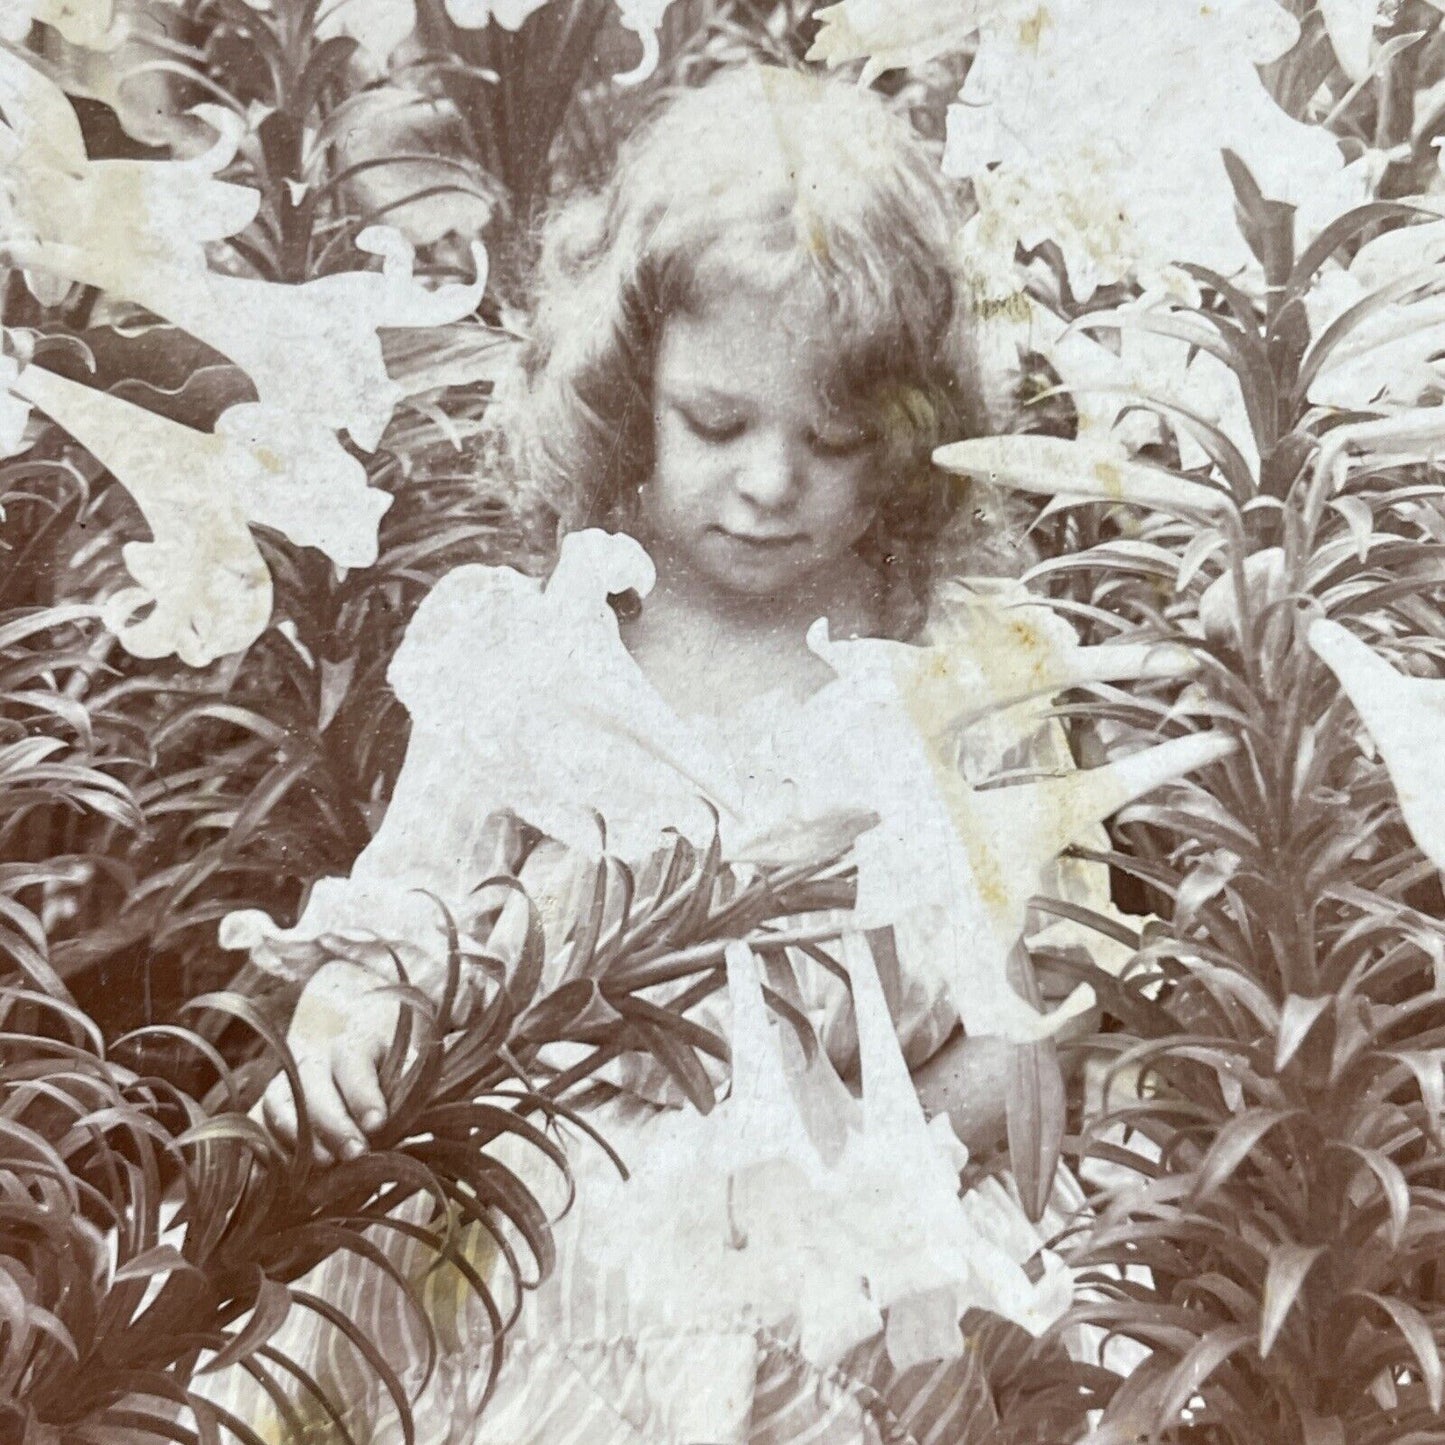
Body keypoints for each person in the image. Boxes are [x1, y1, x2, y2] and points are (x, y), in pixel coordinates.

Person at [206, 63, 1193, 1444]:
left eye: (835, 439)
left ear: (909, 442)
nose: (771, 482)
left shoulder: (957, 669)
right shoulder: (539, 652)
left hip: (859, 1253)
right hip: (538, 1244)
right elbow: (396, 924)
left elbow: (1033, 1013)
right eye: (716, 423)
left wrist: (874, 1153)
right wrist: (345, 1033)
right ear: (630, 390)